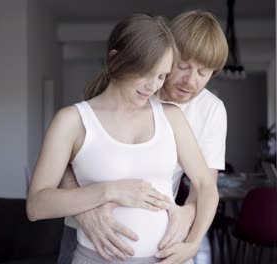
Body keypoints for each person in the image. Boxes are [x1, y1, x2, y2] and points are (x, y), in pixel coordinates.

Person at [26, 14, 219, 264]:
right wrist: (110, 191)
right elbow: (37, 206)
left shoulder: (172, 117)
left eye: (161, 76)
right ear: (115, 58)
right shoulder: (72, 121)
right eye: (146, 73)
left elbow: (206, 186)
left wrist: (192, 245)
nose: (153, 86)